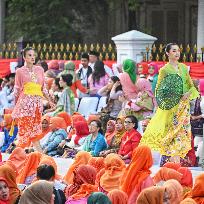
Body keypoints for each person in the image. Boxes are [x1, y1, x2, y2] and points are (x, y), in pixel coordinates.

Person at [140, 43, 199, 163]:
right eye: (174, 51)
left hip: (184, 106)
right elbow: (159, 90)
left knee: (182, 134)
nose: (177, 53)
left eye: (178, 51)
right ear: (167, 53)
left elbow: (191, 86)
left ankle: (175, 164)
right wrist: (174, 95)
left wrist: (188, 94)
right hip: (172, 107)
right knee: (172, 134)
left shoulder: (183, 67)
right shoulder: (164, 70)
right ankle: (172, 164)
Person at [12, 47, 54, 151]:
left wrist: (49, 100)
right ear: (24, 57)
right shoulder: (20, 71)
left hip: (37, 106)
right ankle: (18, 158)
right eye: (30, 55)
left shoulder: (40, 69)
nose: (32, 57)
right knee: (25, 133)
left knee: (35, 133)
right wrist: (16, 107)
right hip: (25, 105)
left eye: (34, 55)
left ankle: (39, 160)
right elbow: (16, 90)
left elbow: (43, 88)